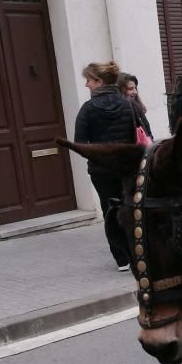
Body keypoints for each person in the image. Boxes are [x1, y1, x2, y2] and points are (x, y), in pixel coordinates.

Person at [74, 61, 135, 271]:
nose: (86, 85)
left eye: (88, 80)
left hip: (101, 170)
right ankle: (137, 254)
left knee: (110, 210)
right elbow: (138, 134)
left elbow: (79, 142)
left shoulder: (88, 109)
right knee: (131, 208)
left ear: (99, 82)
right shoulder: (127, 104)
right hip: (127, 167)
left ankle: (121, 258)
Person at [118, 72, 153, 140]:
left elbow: (148, 134)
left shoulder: (137, 107)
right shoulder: (116, 112)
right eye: (130, 89)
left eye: (135, 88)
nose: (135, 92)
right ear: (120, 90)